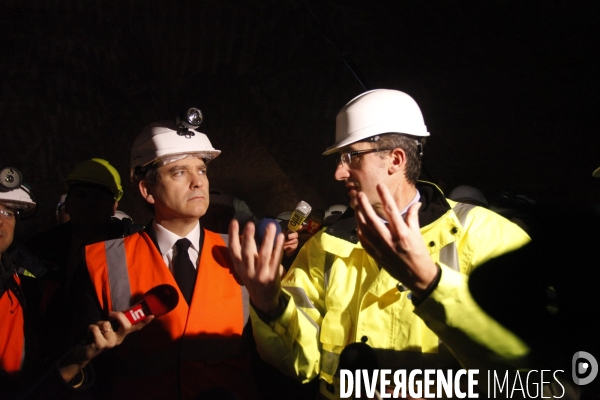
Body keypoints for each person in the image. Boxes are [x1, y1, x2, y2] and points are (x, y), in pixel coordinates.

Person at [228, 89, 533, 398]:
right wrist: (269, 307)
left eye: (351, 157)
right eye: (339, 159)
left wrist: (432, 284)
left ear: (396, 159)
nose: (338, 172)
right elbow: (303, 364)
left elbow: (534, 373)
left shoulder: (487, 236)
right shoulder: (326, 246)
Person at [71, 109, 255, 399]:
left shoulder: (244, 252)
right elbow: (79, 367)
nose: (198, 182)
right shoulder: (99, 262)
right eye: (180, 172)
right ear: (147, 190)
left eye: (202, 170)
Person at [0, 167, 152, 398]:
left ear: (113, 207)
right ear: (68, 204)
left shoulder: (134, 252)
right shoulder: (34, 252)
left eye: (98, 197)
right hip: (42, 373)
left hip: (111, 373)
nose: (88, 204)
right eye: (81, 195)